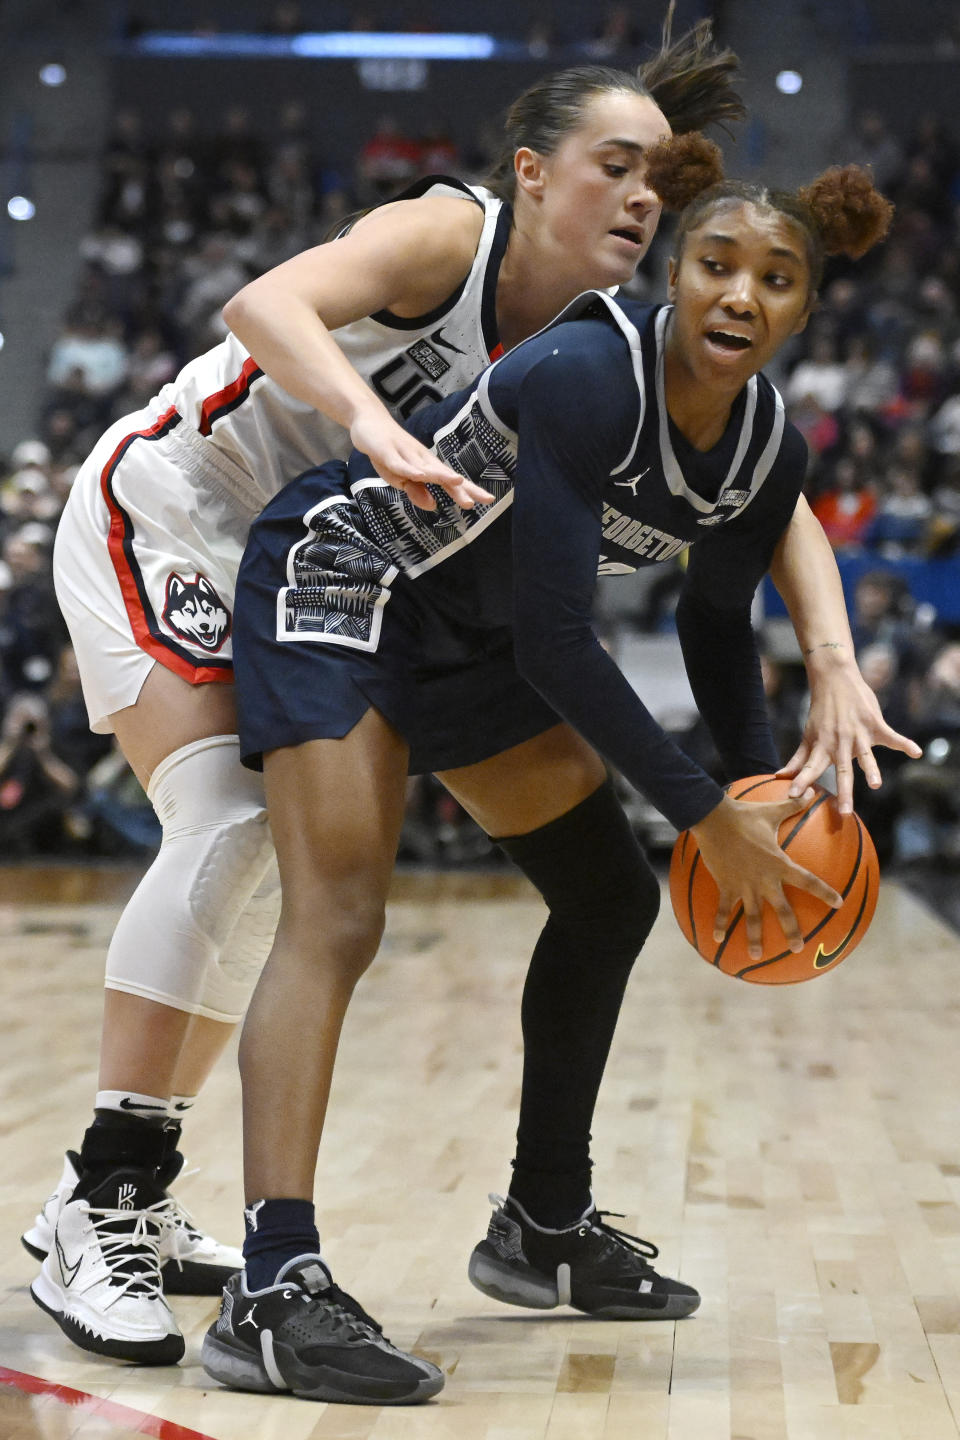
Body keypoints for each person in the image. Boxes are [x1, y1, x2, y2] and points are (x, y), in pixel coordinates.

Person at [33, 15, 902, 1367]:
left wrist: (791, 725)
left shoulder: (637, 328)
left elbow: (754, 498)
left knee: (586, 890)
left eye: (661, 180)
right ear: (532, 174)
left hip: (423, 586)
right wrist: (373, 424)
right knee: (236, 830)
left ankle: (539, 1221)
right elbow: (262, 306)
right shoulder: (458, 236)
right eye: (618, 167)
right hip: (191, 506)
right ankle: (113, 1197)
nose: (645, 197)